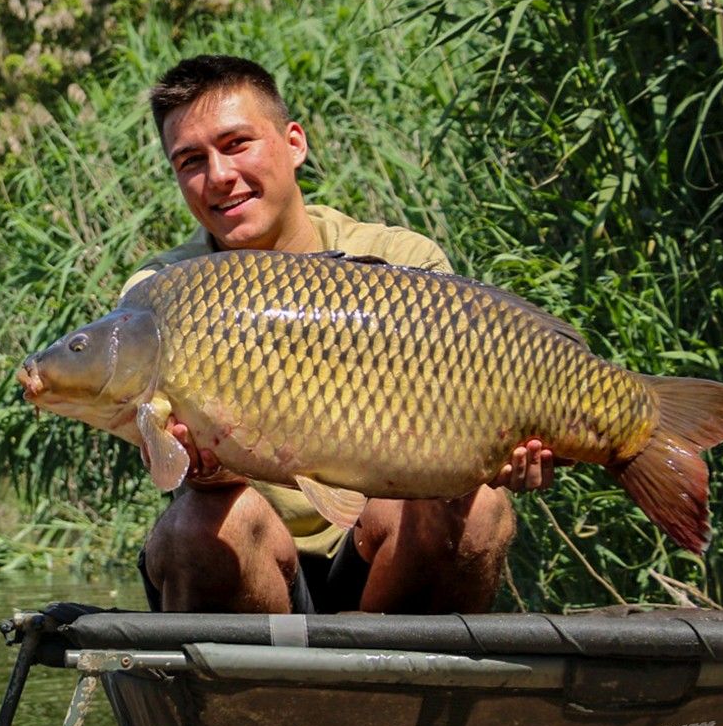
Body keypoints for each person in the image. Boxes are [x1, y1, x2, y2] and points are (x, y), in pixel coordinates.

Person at [128, 54, 555, 615]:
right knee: (200, 527)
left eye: (236, 145)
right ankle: (246, 701)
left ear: (295, 143)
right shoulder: (160, 294)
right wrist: (199, 466)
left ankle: (389, 688)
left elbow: (457, 425)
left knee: (477, 509)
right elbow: (169, 460)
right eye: (190, 160)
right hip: (252, 560)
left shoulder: (402, 262)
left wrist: (498, 451)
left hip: (381, 545)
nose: (219, 176)